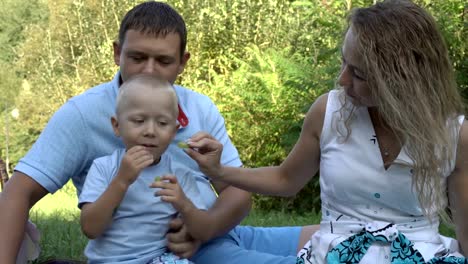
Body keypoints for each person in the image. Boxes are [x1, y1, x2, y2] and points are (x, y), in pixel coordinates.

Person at [0, 1, 316, 263]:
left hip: (213, 233)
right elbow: (19, 191)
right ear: (116, 53)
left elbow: (236, 192)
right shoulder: (83, 114)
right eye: (137, 57)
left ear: (183, 63)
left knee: (336, 238)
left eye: (163, 61)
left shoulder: (199, 108)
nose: (148, 70)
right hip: (162, 253)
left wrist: (204, 228)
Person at [186, 0, 468, 263]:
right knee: (213, 249)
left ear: (402, 79)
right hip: (333, 253)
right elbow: (286, 180)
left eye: (359, 74)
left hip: (421, 254)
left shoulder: (455, 135)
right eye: (344, 62)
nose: (342, 79)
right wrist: (220, 171)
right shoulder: (329, 111)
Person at [79, 75, 212, 263]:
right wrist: (121, 181)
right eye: (139, 120)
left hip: (158, 259)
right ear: (117, 126)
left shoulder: (179, 175)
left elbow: (204, 232)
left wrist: (184, 204)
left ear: (173, 132)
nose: (150, 131)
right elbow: (90, 228)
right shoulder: (104, 167)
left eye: (162, 123)